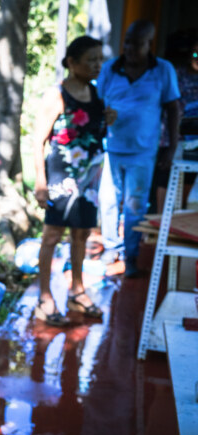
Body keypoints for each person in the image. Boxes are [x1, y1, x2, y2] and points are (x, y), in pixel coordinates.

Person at [32, 36, 116, 326]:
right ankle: (44, 297)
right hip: (60, 175)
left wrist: (109, 120)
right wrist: (40, 183)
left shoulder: (96, 95)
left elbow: (92, 134)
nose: (98, 65)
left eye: (99, 59)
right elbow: (37, 141)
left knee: (81, 234)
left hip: (90, 177)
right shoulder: (56, 95)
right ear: (71, 62)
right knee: (52, 235)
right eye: (91, 59)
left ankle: (76, 291)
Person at [96, 20, 181, 278]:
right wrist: (102, 120)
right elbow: (96, 102)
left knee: (135, 205)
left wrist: (171, 147)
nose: (131, 48)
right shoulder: (111, 69)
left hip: (144, 151)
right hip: (112, 148)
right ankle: (111, 247)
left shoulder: (162, 70)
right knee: (108, 201)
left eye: (137, 43)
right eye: (128, 42)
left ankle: (131, 255)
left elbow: (173, 109)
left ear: (149, 44)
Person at [151, 33, 198, 213]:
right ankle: (160, 221)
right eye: (195, 53)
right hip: (172, 136)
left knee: (188, 178)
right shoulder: (176, 74)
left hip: (195, 142)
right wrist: (172, 144)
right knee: (165, 176)